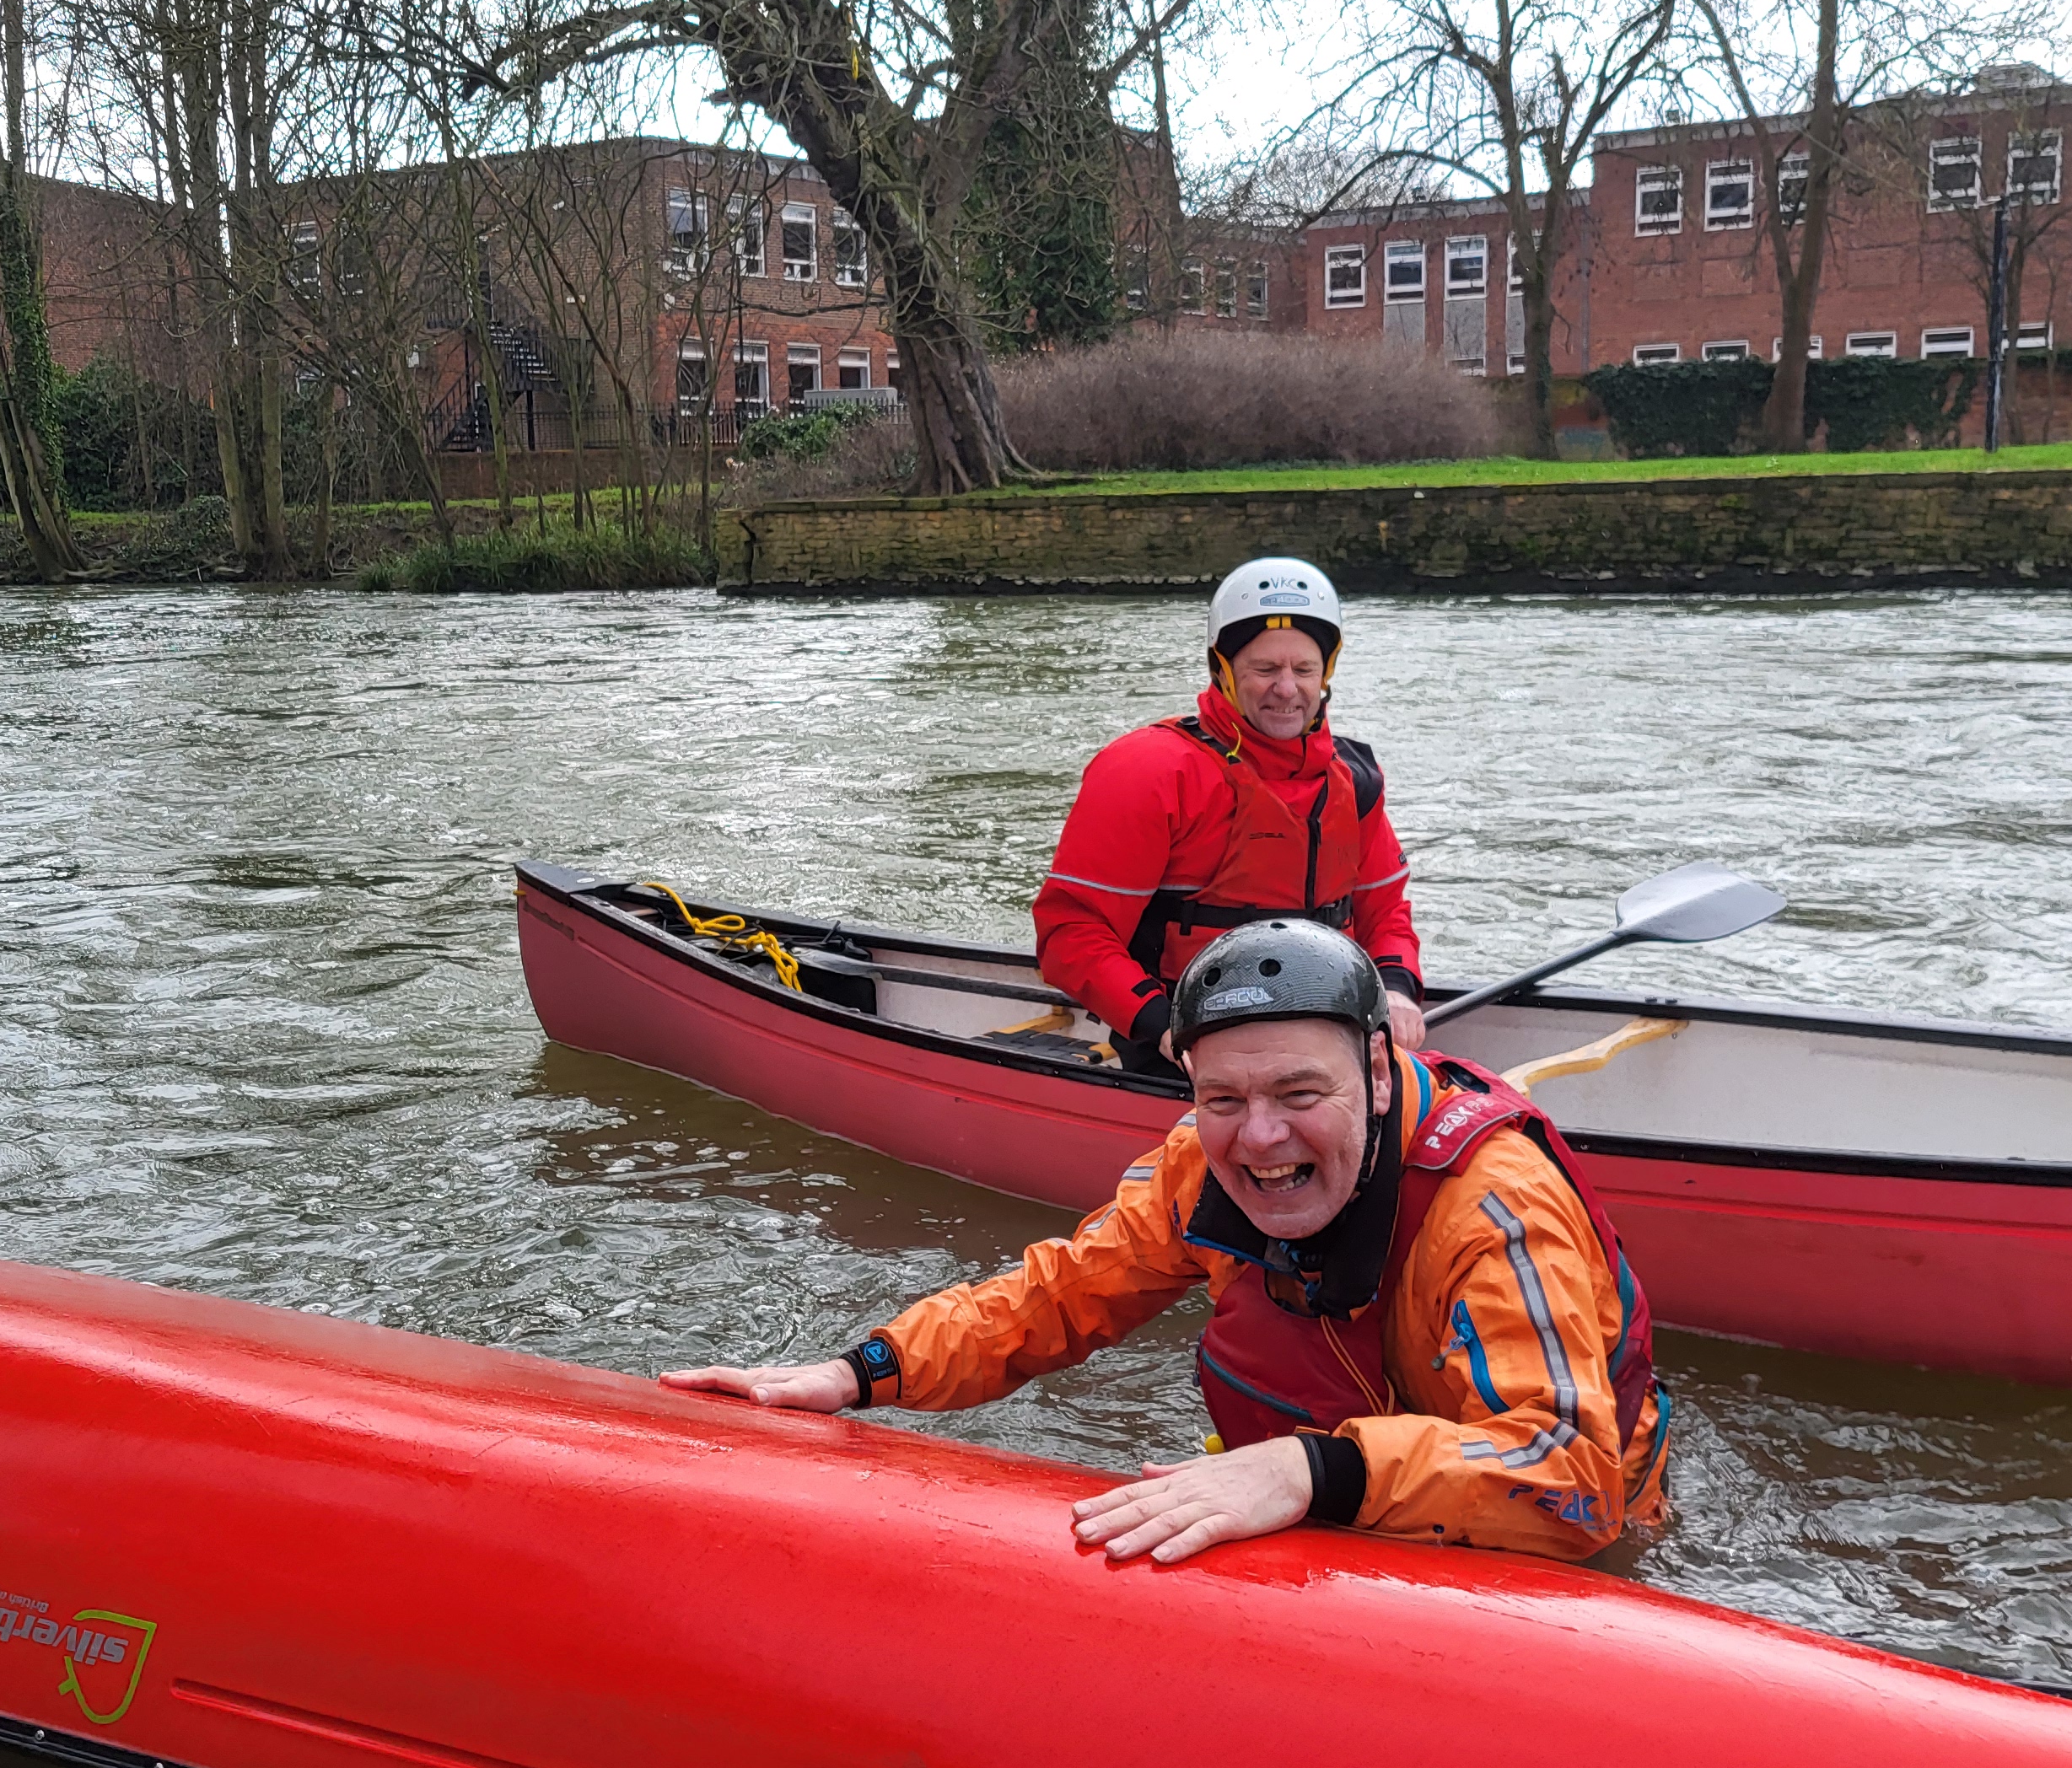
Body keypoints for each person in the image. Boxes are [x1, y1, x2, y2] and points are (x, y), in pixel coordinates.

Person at [665, 920, 1669, 1566]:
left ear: (1376, 1064)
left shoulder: (1493, 1208)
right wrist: (857, 1374)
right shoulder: (1203, 1158)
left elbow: (1566, 1477)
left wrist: (1306, 1472)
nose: (1259, 1137)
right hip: (1340, 1458)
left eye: (1299, 1093)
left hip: (1536, 1517)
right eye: (1222, 1097)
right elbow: (1055, 1298)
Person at [1035, 558, 1423, 1083]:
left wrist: (1397, 989)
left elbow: (1386, 915)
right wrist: (1168, 1025)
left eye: (1304, 670)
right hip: (1183, 1037)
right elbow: (1071, 932)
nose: (1287, 689)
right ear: (1222, 668)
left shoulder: (1353, 779)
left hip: (1331, 1026)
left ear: (1326, 672)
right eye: (1265, 670)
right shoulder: (1149, 771)